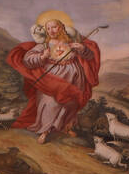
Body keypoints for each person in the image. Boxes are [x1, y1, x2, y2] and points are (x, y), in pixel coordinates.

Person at [7, 12, 100, 144]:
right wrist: (42, 57)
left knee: (69, 104)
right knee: (50, 103)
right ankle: (45, 131)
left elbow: (90, 57)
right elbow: (27, 60)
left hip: (73, 78)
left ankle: (65, 127)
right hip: (52, 79)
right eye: (48, 28)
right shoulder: (44, 45)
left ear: (61, 27)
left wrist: (82, 49)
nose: (51, 30)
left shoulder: (72, 42)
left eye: (54, 27)